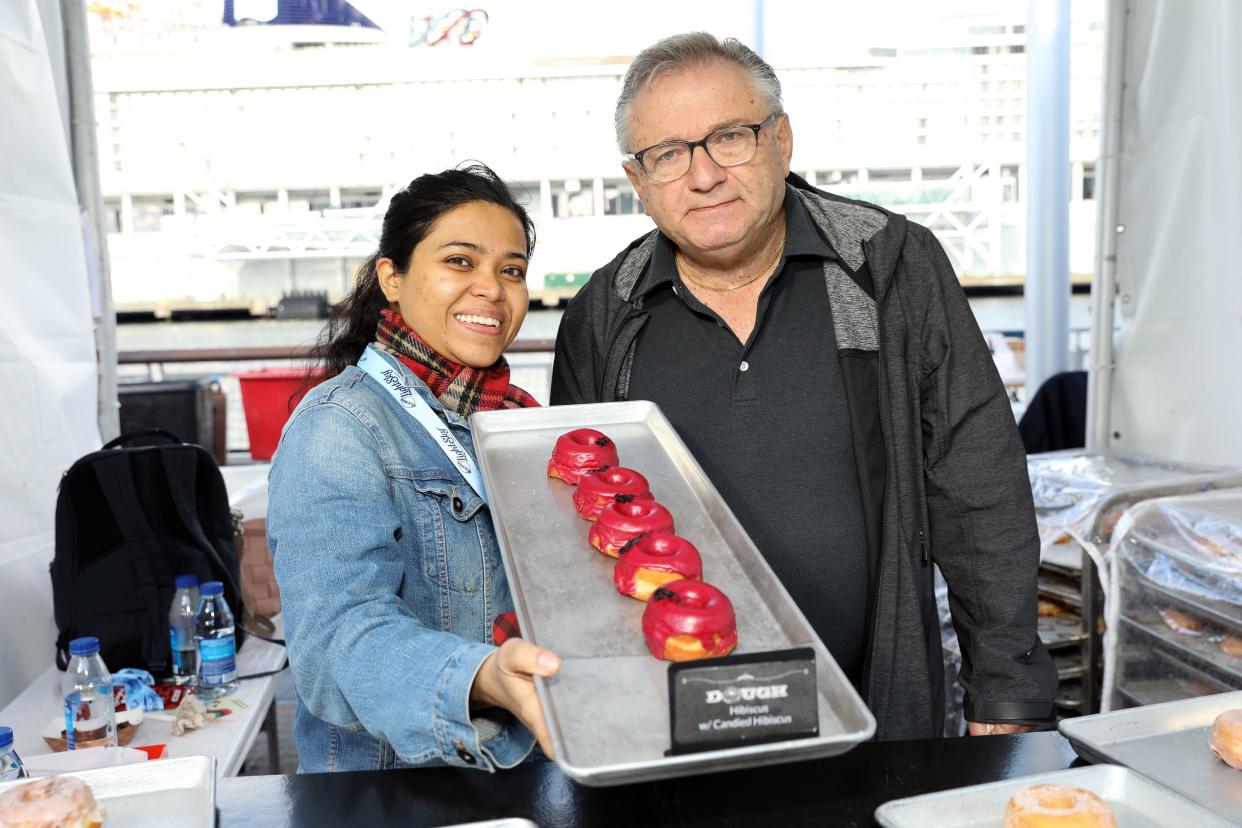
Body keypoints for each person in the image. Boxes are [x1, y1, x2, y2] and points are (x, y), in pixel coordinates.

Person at [550, 33, 1057, 740]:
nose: (702, 176)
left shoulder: (891, 266)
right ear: (637, 182)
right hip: (668, 728)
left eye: (729, 137)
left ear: (782, 140)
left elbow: (979, 491)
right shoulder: (605, 315)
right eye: (667, 155)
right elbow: (577, 536)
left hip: (875, 715)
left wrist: (1006, 698)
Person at [268, 163, 560, 772]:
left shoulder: (517, 423)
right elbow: (335, 643)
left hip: (527, 768)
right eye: (460, 261)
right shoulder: (339, 426)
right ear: (392, 278)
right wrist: (481, 677)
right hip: (395, 788)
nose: (491, 288)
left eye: (512, 270)